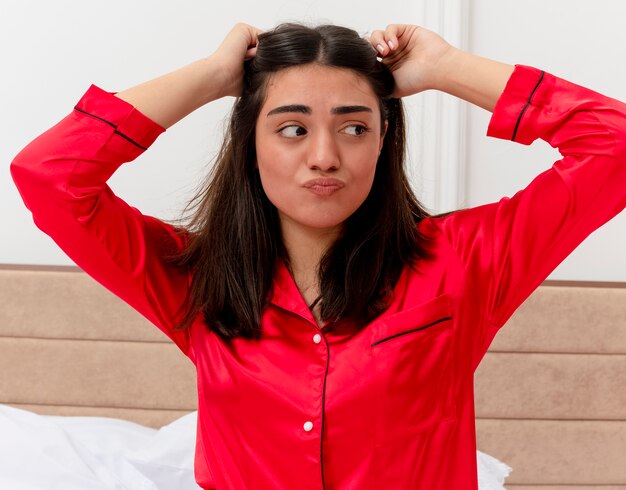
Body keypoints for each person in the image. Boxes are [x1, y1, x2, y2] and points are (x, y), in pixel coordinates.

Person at [10, 21, 626, 489]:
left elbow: (615, 146)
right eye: (292, 128)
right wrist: (209, 78)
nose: (325, 156)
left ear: (384, 141)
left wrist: (446, 67)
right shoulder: (195, 279)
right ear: (251, 144)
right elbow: (49, 177)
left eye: (355, 127)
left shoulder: (467, 260)